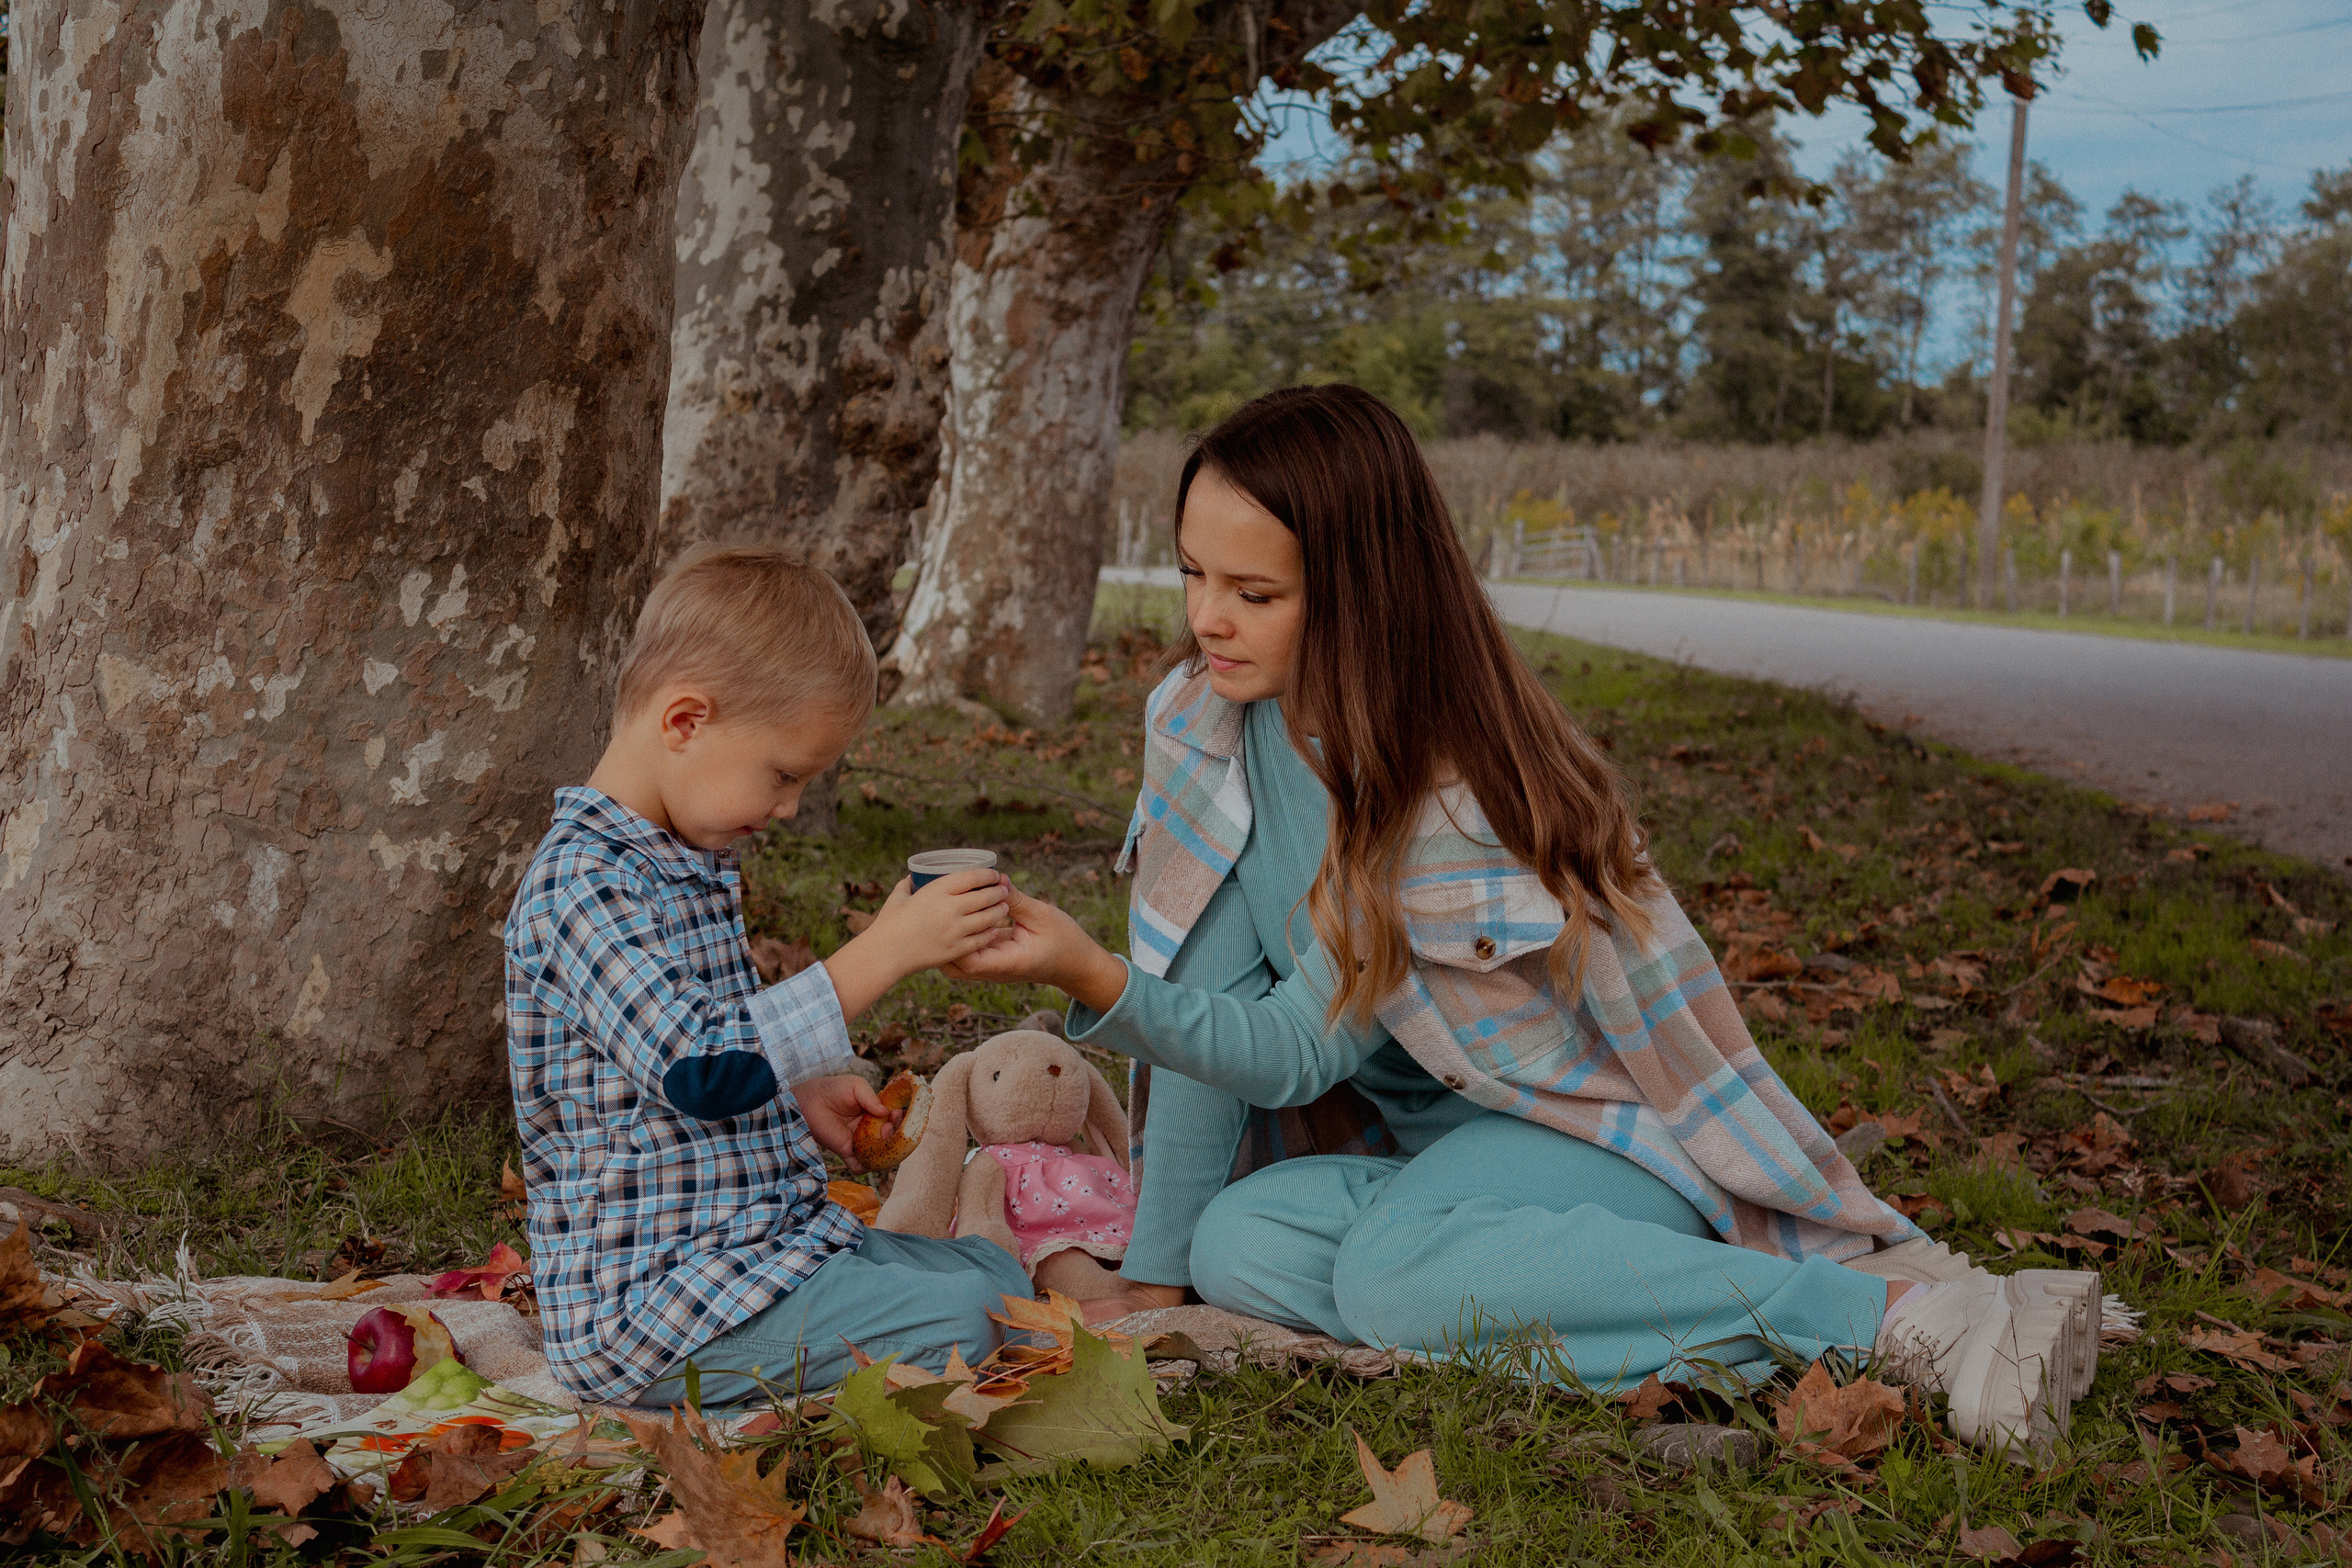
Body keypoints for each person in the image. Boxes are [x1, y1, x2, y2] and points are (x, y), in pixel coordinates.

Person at [949, 385, 2095, 1455]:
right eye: (1192, 573)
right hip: (1418, 1161)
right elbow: (1208, 1002)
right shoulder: (1205, 726)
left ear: (1361, 594)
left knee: (1390, 1275)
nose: (1208, 619)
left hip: (1586, 1140)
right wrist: (1158, 1280)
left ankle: (1898, 1320)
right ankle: (1569, 1287)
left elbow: (1295, 1051)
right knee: (1235, 1245)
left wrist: (1092, 975)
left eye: (1255, 595)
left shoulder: (1442, 788)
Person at [504, 546, 1032, 1408]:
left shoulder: (680, 859)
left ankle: (939, 1293)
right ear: (685, 721)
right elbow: (700, 1067)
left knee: (989, 1272)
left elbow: (674, 1073)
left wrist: (795, 1092)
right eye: (784, 774)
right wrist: (885, 948)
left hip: (752, 1252)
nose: (787, 806)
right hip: (655, 1310)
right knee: (976, 1313)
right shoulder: (582, 886)